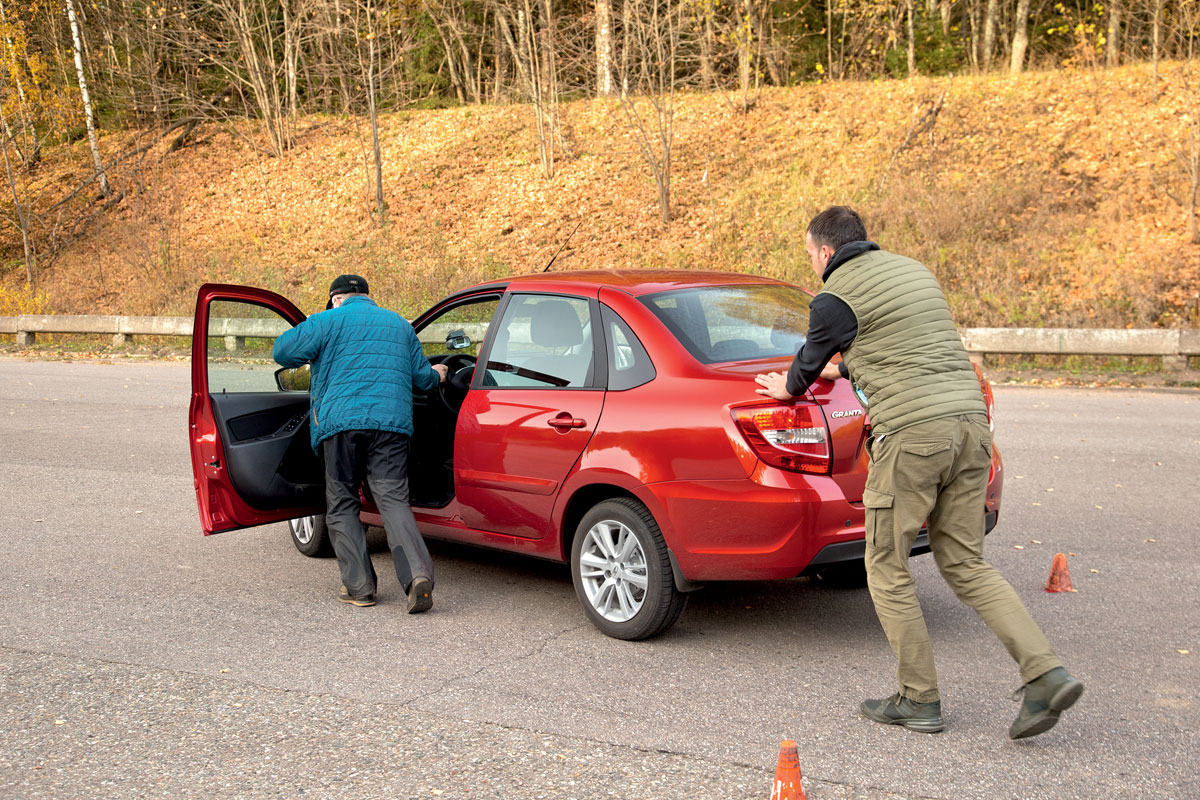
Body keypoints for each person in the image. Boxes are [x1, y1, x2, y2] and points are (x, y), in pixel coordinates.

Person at [754, 206, 1083, 739]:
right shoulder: (914, 272)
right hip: (971, 430)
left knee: (884, 565)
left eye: (811, 254)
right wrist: (844, 366)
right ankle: (1045, 672)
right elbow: (895, 348)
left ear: (826, 252)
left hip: (912, 438)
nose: (812, 263)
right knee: (965, 563)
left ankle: (918, 697)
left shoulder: (834, 297)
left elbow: (806, 368)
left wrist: (785, 388)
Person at [274, 274, 448, 613]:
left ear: (335, 298)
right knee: (394, 501)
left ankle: (360, 588)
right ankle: (416, 576)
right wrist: (439, 373)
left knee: (341, 504)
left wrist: (312, 326)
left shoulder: (325, 321)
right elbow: (422, 378)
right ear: (367, 296)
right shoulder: (399, 325)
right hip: (391, 428)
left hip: (340, 429)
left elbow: (283, 351)